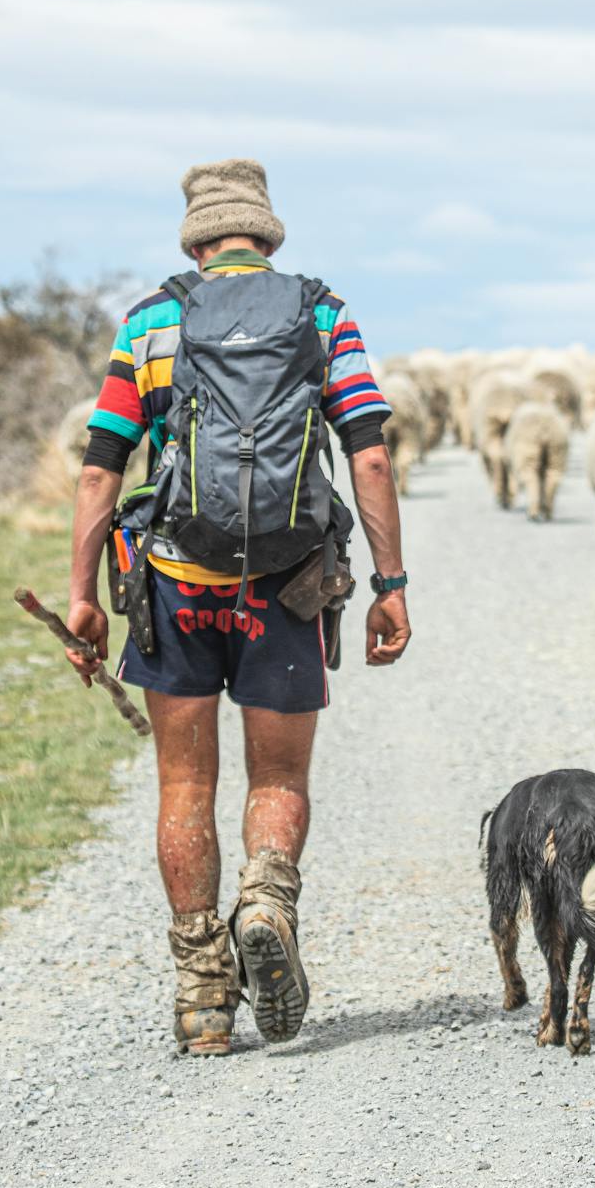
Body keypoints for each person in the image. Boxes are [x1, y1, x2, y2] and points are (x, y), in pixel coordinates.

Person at [63, 158, 410, 1055]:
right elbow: (368, 453)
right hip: (285, 589)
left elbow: (102, 466)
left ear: (197, 238)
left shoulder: (152, 320)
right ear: (267, 234)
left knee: (185, 784)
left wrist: (80, 597)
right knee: (279, 781)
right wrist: (391, 584)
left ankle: (204, 999)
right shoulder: (322, 312)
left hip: (174, 587)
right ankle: (266, 897)